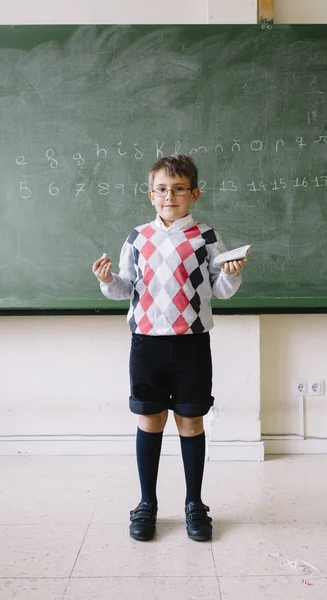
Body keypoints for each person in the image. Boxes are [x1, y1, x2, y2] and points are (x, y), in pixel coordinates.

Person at [92, 154, 246, 542]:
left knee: (191, 421)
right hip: (146, 343)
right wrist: (108, 280)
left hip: (192, 342)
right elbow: (127, 287)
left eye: (179, 189)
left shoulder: (206, 237)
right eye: (162, 189)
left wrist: (232, 274)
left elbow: (220, 290)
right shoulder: (137, 237)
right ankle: (147, 504)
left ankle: (195, 503)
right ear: (151, 195)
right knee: (150, 420)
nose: (169, 196)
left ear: (193, 193)